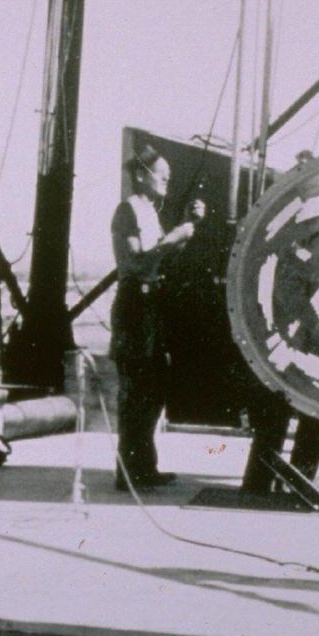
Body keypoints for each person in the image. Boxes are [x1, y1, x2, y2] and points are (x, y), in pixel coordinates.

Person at [110, 145, 203, 490]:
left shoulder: (149, 211)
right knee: (137, 390)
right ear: (140, 174)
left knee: (152, 390)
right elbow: (135, 264)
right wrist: (175, 237)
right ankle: (130, 472)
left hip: (151, 306)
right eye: (161, 175)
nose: (167, 180)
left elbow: (158, 259)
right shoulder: (128, 211)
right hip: (135, 304)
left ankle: (143, 467)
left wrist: (188, 227)